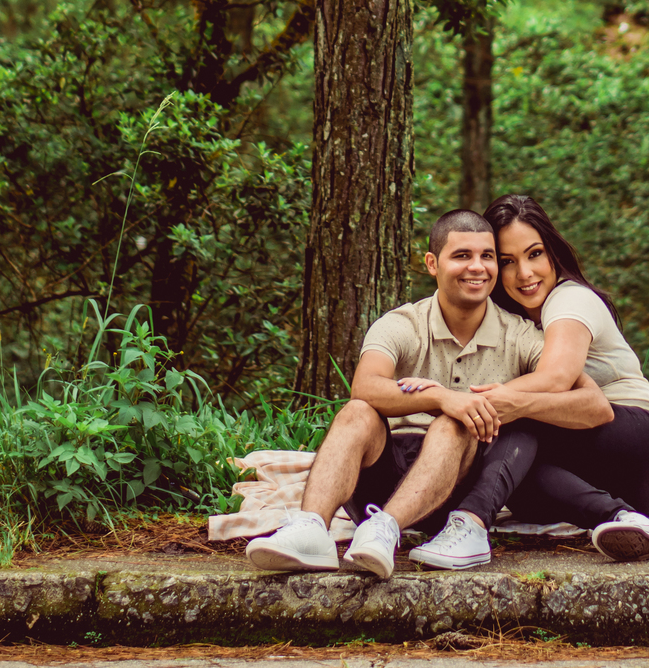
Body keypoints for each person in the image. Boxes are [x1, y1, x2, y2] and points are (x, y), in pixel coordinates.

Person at [245, 207, 613, 579]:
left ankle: (385, 530)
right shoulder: (402, 324)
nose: (478, 267)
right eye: (462, 256)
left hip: (451, 488)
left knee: (454, 424)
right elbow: (366, 385)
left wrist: (503, 402)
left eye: (487, 256)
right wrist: (440, 398)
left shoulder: (520, 336)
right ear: (432, 264)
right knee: (357, 411)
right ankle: (310, 530)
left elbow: (593, 404)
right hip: (378, 481)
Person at [407, 193, 649, 568]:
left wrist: (460, 399)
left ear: (552, 252)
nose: (524, 273)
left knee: (513, 417)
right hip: (623, 489)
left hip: (644, 446)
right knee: (510, 471)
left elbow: (556, 378)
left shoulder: (570, 300)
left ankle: (470, 524)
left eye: (534, 253)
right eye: (507, 261)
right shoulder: (508, 326)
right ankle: (619, 519)